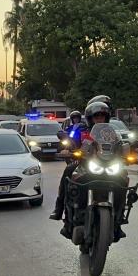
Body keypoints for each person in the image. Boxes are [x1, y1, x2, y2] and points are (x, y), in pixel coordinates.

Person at [51, 100, 113, 233]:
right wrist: (67, 149)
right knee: (69, 170)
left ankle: (119, 216)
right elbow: (73, 143)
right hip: (85, 164)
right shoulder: (82, 131)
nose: (99, 119)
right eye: (96, 116)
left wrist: (130, 148)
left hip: (108, 166)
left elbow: (119, 144)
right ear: (91, 119)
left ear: (106, 117)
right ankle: (59, 209)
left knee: (123, 178)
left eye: (102, 116)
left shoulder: (111, 133)